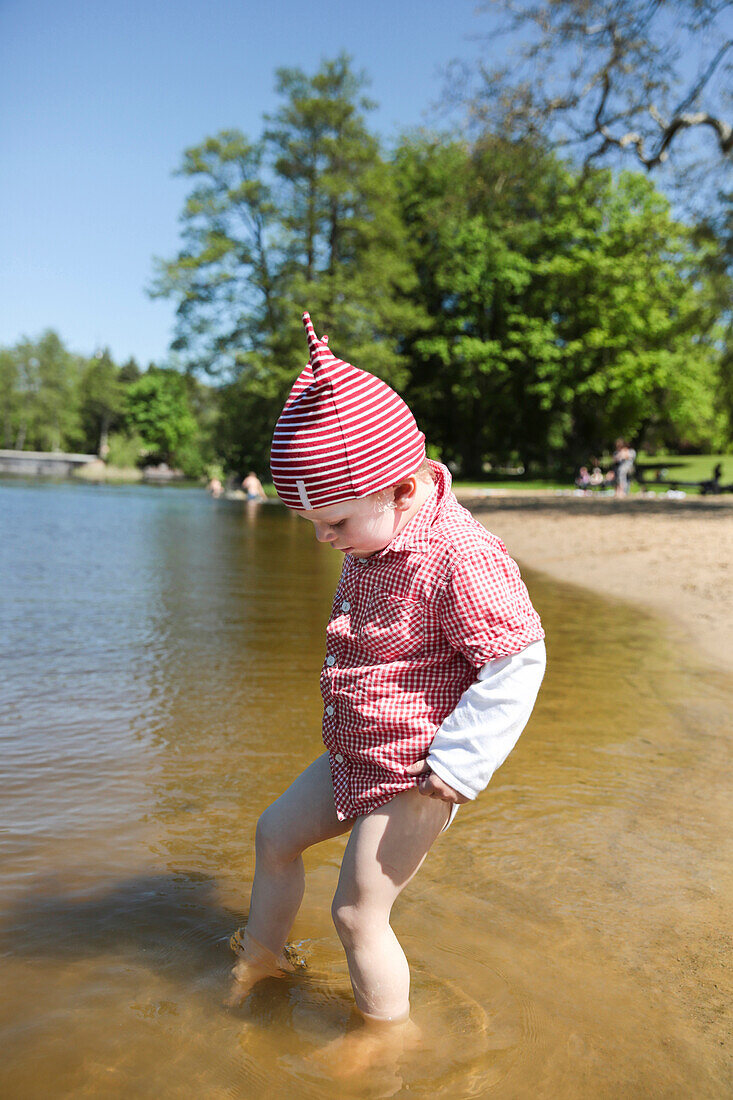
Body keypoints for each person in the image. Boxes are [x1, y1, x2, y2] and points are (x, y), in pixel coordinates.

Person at [228, 313, 546, 1041]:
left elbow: (517, 657)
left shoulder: (459, 555)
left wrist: (457, 767)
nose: (322, 539)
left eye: (333, 524)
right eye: (311, 522)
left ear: (402, 490)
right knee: (274, 834)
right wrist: (344, 526)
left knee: (355, 910)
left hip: (417, 771)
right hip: (358, 751)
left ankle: (386, 1041)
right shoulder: (378, 522)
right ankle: (262, 962)